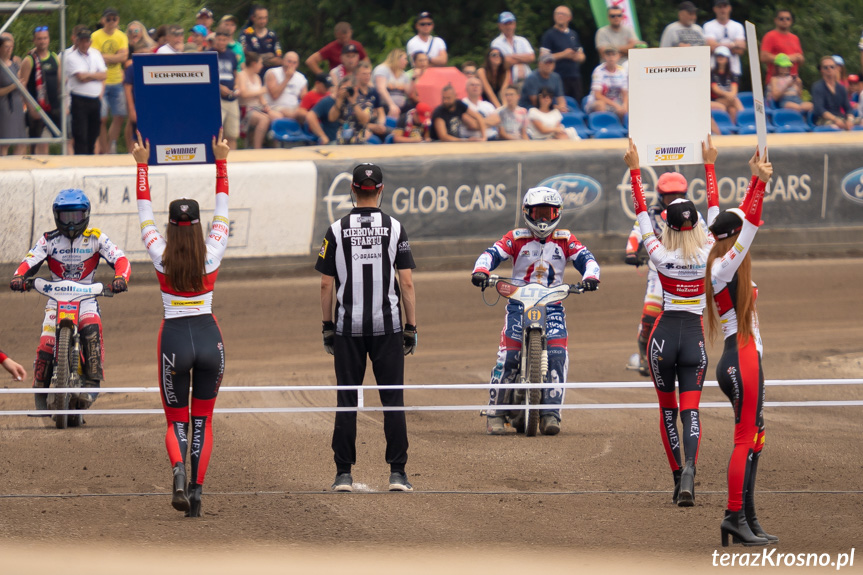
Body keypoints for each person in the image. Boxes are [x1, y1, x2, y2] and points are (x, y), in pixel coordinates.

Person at [132, 129, 230, 517]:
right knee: (203, 419)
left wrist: (142, 166)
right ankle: (198, 492)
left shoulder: (159, 251)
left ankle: (177, 471)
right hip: (210, 337)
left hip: (174, 337)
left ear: (170, 226)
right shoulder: (215, 247)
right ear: (201, 226)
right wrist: (220, 160)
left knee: (176, 420)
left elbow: (144, 211)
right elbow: (223, 206)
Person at [624, 136, 718, 507]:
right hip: (694, 338)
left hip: (662, 340)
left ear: (670, 226)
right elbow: (715, 208)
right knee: (691, 410)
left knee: (667, 411)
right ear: (695, 226)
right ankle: (692, 470)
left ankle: (677, 475)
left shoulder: (660, 255)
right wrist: (709, 164)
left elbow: (641, 212)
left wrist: (635, 170)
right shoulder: (710, 249)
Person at [316, 163, 417, 493]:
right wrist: (410, 326)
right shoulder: (394, 227)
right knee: (393, 400)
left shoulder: (336, 229)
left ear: (353, 190)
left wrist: (327, 326)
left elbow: (325, 285)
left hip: (348, 328)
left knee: (347, 399)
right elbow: (407, 283)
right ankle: (398, 473)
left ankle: (343, 473)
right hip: (387, 327)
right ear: (381, 190)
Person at [471, 187, 600, 436]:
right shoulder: (516, 237)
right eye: (537, 213)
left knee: (558, 354)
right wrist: (481, 271)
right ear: (526, 212)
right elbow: (491, 253)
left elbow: (587, 258)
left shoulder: (565, 238)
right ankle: (495, 412)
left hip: (552, 304)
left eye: (548, 213)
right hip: (519, 303)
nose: (542, 220)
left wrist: (591, 276)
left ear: (558, 213)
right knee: (508, 356)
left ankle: (551, 413)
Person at [705, 149, 776, 547]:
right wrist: (759, 183)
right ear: (730, 240)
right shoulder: (722, 266)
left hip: (745, 357)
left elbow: (739, 221)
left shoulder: (722, 261)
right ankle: (734, 515)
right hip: (741, 358)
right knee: (744, 440)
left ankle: (747, 515)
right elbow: (748, 227)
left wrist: (753, 178)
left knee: (755, 439)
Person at [10, 188, 131, 412]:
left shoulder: (96, 237)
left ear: (86, 215)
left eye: (76, 216)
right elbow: (30, 260)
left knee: (91, 331)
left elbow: (121, 258)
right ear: (57, 216)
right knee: (46, 345)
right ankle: (40, 389)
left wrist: (120, 278)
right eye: (66, 217)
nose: (71, 222)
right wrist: (19, 276)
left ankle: (92, 384)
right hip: (56, 299)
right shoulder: (48, 240)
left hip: (86, 299)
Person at [19, 27, 62, 155]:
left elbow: (60, 83)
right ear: (34, 40)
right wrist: (30, 107)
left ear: (48, 40)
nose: (42, 41)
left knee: (64, 138)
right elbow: (23, 85)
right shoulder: (29, 60)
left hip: (54, 106)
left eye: (45, 38)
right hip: (36, 107)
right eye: (39, 39)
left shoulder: (54, 57)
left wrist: (64, 104)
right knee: (35, 143)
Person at [91, 8, 128, 154]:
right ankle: (104, 149)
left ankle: (111, 145)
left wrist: (104, 56)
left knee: (119, 115)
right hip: (101, 82)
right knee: (102, 118)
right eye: (108, 19)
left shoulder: (121, 36)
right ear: (103, 20)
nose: (111, 22)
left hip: (117, 81)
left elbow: (123, 58)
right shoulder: (95, 36)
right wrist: (115, 56)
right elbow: (95, 57)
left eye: (114, 19)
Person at [65, 28, 107, 155]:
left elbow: (104, 75)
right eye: (82, 41)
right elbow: (80, 77)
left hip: (94, 99)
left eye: (87, 41)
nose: (84, 44)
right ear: (77, 41)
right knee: (80, 134)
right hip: (79, 99)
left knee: (93, 133)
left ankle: (90, 157)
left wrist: (89, 75)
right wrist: (95, 75)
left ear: (90, 42)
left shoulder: (96, 54)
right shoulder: (71, 57)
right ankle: (81, 160)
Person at [540, 5, 586, 101]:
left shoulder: (573, 34)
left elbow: (582, 56)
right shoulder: (549, 35)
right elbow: (542, 57)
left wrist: (577, 57)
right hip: (557, 77)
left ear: (569, 18)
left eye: (563, 14)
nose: (560, 16)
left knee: (576, 104)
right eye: (557, 14)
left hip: (575, 77)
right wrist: (563, 54)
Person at [238, 51, 279, 148]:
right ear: (254, 64)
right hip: (245, 108)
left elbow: (261, 97)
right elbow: (243, 93)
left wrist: (267, 108)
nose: (261, 66)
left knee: (276, 116)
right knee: (264, 119)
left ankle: (275, 146)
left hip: (257, 107)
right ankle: (258, 148)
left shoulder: (257, 77)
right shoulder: (242, 75)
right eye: (260, 64)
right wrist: (260, 91)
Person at [491, 12, 535, 88]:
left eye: (510, 23)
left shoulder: (522, 40)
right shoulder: (496, 43)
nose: (508, 27)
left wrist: (512, 57)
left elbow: (532, 57)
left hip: (528, 80)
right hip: (508, 82)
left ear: (514, 24)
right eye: (505, 24)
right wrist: (523, 58)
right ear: (500, 26)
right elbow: (503, 62)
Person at [811, 55, 855, 130]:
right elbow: (819, 109)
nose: (829, 69)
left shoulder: (841, 88)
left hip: (840, 118)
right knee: (835, 127)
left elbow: (848, 108)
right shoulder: (817, 87)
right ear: (821, 69)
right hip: (823, 120)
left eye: (832, 67)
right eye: (826, 67)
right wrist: (835, 119)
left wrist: (850, 120)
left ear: (836, 69)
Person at [703, 0, 746, 77]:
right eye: (719, 7)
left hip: (734, 70)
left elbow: (740, 50)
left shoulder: (737, 26)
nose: (722, 10)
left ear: (729, 8)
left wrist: (718, 45)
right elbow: (710, 48)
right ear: (715, 9)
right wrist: (733, 45)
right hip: (713, 69)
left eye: (725, 7)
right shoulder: (708, 26)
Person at [0, 33, 26, 156]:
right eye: (6, 47)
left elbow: (21, 81)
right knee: (5, 142)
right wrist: (13, 86)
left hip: (17, 104)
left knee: (22, 141)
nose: (9, 49)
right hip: (4, 106)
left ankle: (16, 166)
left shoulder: (15, 64)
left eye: (11, 46)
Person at [760, 9, 804, 83]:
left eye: (788, 19)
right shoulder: (770, 36)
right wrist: (787, 58)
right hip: (776, 81)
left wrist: (799, 58)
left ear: (791, 21)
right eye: (781, 19)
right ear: (776, 20)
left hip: (793, 81)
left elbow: (801, 60)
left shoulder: (795, 38)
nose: (785, 21)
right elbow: (763, 57)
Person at [585, 47, 628, 120]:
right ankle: (603, 127)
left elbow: (625, 92)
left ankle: (625, 129)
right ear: (604, 57)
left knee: (629, 105)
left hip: (616, 101)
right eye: (608, 55)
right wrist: (616, 105)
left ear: (618, 56)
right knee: (600, 104)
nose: (611, 57)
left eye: (613, 55)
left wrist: (625, 105)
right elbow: (597, 95)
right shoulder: (598, 70)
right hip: (598, 102)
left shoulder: (622, 71)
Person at [214, 28, 240, 148]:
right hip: (216, 99)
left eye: (224, 40)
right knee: (217, 132)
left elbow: (236, 72)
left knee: (232, 133)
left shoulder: (232, 54)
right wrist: (219, 87)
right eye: (219, 39)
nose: (221, 42)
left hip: (231, 97)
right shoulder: (210, 53)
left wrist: (237, 86)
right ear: (215, 40)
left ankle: (234, 158)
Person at [239, 5, 283, 75]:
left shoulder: (272, 35)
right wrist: (268, 56)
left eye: (265, 18)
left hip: (270, 77)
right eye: (260, 18)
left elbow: (279, 60)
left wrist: (258, 58)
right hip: (252, 76)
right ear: (253, 18)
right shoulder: (246, 33)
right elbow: (247, 56)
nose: (263, 21)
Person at [265, 50, 307, 119]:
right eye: (289, 61)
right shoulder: (273, 73)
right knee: (291, 113)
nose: (291, 65)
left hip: (294, 107)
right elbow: (275, 96)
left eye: (294, 63)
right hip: (276, 106)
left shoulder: (301, 77)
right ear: (283, 61)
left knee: (305, 114)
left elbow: (304, 98)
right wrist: (287, 78)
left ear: (297, 64)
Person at [305, 78, 346, 145]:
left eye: (328, 87)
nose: (327, 89)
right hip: (332, 139)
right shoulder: (326, 100)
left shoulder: (355, 101)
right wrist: (322, 135)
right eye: (325, 86)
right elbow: (309, 115)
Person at [374, 49, 411, 119]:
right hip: (384, 106)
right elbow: (381, 89)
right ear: (397, 58)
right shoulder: (382, 69)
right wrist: (391, 105)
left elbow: (409, 94)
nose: (407, 62)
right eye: (405, 59)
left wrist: (414, 79)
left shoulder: (403, 74)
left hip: (401, 107)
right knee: (393, 112)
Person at [711, 46, 743, 124]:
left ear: (727, 58)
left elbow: (734, 91)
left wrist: (730, 96)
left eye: (722, 56)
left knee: (732, 110)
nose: (720, 57)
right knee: (733, 101)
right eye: (718, 56)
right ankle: (745, 118)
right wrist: (730, 96)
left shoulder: (732, 75)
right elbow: (716, 90)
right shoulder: (711, 73)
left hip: (728, 100)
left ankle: (733, 131)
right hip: (714, 100)